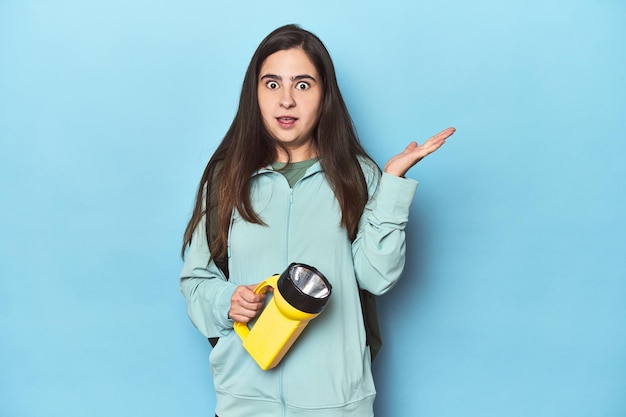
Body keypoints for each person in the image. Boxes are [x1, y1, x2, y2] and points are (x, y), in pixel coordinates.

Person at [180, 24, 455, 417]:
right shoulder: (227, 179)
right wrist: (228, 301)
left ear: (324, 95)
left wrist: (392, 185)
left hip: (337, 403)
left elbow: (377, 277)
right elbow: (195, 283)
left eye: (303, 85)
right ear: (254, 95)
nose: (286, 100)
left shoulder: (357, 176)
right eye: (272, 84)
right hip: (246, 402)